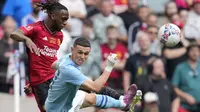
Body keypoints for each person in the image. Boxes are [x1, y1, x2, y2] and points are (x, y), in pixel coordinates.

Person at [45, 38, 138, 112]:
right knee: (93, 90)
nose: (82, 57)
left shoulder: (66, 57)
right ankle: (123, 102)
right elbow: (96, 87)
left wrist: (61, 83)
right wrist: (109, 66)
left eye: (86, 54)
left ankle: (124, 104)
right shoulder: (69, 70)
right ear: (72, 50)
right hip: (59, 109)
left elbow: (53, 65)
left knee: (91, 98)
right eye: (80, 52)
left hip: (60, 100)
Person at [10, 2, 69, 112]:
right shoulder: (37, 28)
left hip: (54, 76)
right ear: (52, 16)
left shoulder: (60, 36)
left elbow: (49, 58)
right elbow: (14, 34)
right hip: (39, 81)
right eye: (63, 19)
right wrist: (27, 39)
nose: (65, 23)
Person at [172, 43, 200, 112]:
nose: (195, 53)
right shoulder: (180, 67)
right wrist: (185, 96)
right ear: (188, 52)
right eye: (192, 51)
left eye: (197, 51)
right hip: (185, 106)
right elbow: (174, 87)